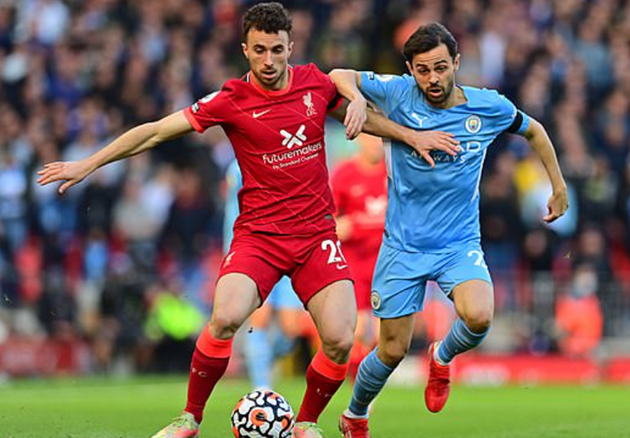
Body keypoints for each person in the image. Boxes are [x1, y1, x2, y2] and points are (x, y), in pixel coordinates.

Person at [36, 5, 460, 438]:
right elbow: (157, 130)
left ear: (290, 47)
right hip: (259, 237)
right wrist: (89, 163)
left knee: (339, 337)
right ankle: (189, 418)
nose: (269, 60)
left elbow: (367, 118)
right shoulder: (231, 99)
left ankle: (306, 423)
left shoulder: (315, 84)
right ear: (245, 50)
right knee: (224, 317)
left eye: (277, 50)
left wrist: (412, 136)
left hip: (315, 236)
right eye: (260, 50)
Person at [330, 22, 569, 437]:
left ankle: (441, 356)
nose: (433, 79)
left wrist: (559, 186)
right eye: (423, 70)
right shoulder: (398, 93)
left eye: (441, 67)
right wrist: (355, 101)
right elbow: (338, 75)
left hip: (458, 243)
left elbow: (535, 130)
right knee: (392, 350)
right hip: (403, 246)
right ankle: (356, 414)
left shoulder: (486, 106)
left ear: (456, 63)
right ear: (410, 70)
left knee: (479, 316)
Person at [223, 159, 306, 390]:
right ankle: (261, 388)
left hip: (290, 248)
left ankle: (262, 360)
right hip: (257, 250)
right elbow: (232, 212)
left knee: (292, 329)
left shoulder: (291, 158)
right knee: (260, 318)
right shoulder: (239, 166)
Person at [330, 134, 387, 379]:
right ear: (359, 139)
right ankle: (358, 384)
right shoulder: (344, 173)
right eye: (371, 138)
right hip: (355, 260)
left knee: (384, 333)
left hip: (387, 261)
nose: (375, 144)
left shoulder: (394, 171)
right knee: (358, 329)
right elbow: (328, 216)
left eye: (380, 139)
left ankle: (370, 382)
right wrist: (337, 226)